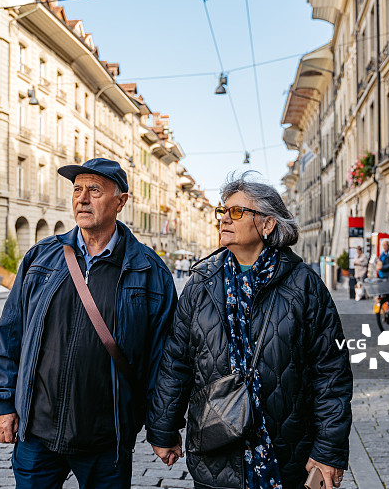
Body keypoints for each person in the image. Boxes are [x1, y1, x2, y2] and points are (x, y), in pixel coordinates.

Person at [147, 172, 353, 489]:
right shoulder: (201, 283)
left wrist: (329, 448)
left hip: (286, 453)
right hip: (216, 451)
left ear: (268, 224)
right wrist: (164, 428)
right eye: (223, 211)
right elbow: (176, 362)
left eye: (238, 212)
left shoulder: (303, 285)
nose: (225, 219)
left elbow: (330, 371)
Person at [0, 158, 178, 489]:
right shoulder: (41, 257)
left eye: (95, 190)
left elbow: (166, 360)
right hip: (37, 436)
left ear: (121, 201)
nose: (82, 198)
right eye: (77, 189)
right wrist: (2, 402)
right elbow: (10, 334)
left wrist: (163, 428)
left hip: (107, 441)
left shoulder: (149, 271)